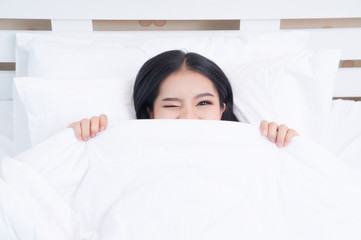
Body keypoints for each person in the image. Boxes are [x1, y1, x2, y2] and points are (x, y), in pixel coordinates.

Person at [68, 50, 299, 148]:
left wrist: (283, 143)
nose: (188, 117)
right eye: (171, 105)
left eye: (204, 103)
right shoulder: (127, 146)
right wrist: (79, 138)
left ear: (222, 108)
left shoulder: (252, 144)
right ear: (150, 112)